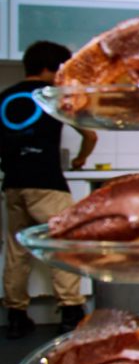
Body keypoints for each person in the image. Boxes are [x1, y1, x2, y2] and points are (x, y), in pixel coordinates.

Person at [2, 41, 98, 339]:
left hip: (14, 184)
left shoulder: (4, 97)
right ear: (50, 68)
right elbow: (90, 134)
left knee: (17, 251)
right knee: (64, 246)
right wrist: (81, 158)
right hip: (47, 183)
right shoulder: (51, 97)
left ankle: (16, 316)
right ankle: (71, 313)